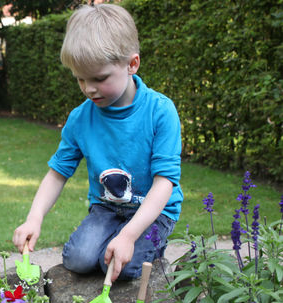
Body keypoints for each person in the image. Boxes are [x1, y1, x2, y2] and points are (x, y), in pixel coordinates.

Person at [13, 3, 183, 282]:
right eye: (80, 79)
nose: (88, 88)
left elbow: (165, 183)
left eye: (99, 78)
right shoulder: (81, 118)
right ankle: (118, 238)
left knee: (121, 268)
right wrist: (34, 218)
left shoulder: (160, 112)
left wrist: (128, 235)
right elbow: (57, 174)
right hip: (107, 207)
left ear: (132, 64)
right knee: (78, 259)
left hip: (154, 211)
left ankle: (150, 245)